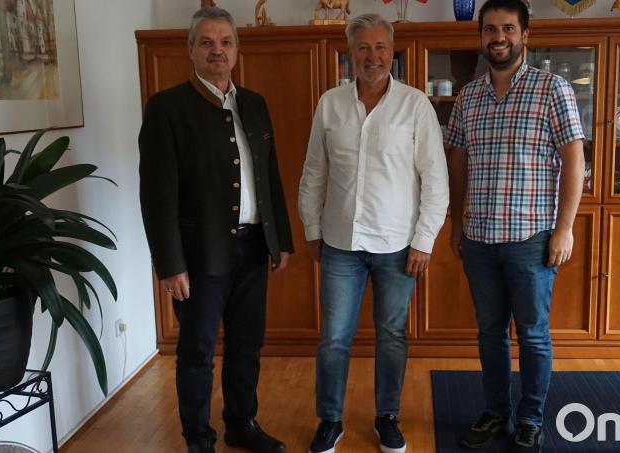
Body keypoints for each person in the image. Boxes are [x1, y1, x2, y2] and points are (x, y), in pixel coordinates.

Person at [138, 7, 292, 453]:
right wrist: (169, 264)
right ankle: (199, 440)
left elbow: (269, 176)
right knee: (198, 353)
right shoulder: (167, 108)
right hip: (198, 255)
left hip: (253, 248)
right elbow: (156, 194)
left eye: (225, 42)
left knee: (247, 345)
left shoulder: (255, 104)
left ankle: (241, 424)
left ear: (237, 50)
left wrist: (280, 239)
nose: (217, 50)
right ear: (190, 50)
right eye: (206, 42)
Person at [298, 13, 449, 453]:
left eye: (381, 47)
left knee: (392, 336)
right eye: (363, 47)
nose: (373, 56)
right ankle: (330, 419)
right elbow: (313, 173)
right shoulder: (329, 103)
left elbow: (434, 179)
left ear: (392, 51)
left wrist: (425, 240)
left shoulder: (415, 105)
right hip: (340, 244)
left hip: (397, 245)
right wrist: (311, 228)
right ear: (350, 52)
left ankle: (387, 417)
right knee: (333, 339)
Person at [444, 1, 585, 452]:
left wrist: (565, 229)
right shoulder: (468, 96)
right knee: (489, 334)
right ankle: (495, 412)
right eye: (490, 29)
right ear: (481, 37)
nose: (498, 37)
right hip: (480, 239)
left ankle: (530, 418)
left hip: (532, 238)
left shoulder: (553, 89)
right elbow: (458, 161)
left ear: (525, 34)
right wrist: (456, 224)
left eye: (508, 28)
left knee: (533, 335)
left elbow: (574, 160)